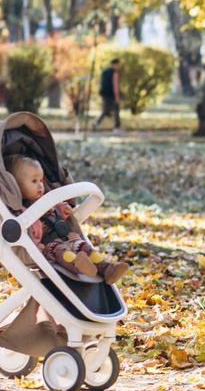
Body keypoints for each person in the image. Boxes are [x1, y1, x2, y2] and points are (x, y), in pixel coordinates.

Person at [7, 155, 128, 285]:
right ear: (17, 185)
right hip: (49, 245)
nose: (40, 185)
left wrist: (65, 211)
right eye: (34, 181)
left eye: (41, 181)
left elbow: (57, 213)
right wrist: (37, 246)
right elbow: (27, 234)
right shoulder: (22, 212)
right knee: (61, 252)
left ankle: (107, 269)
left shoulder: (48, 200)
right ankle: (79, 266)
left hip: (68, 236)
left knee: (84, 246)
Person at [94, 58, 121, 131]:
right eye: (118, 65)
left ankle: (96, 122)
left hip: (104, 94)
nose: (118, 66)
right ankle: (117, 127)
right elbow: (115, 85)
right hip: (111, 94)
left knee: (106, 110)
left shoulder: (104, 72)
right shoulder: (114, 73)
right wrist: (117, 96)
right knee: (115, 110)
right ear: (115, 64)